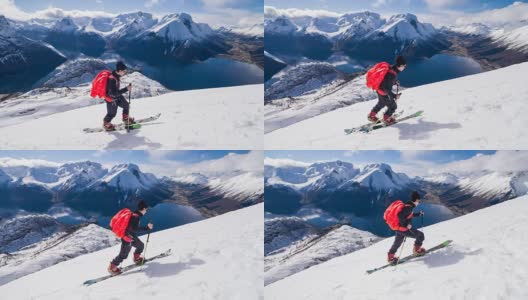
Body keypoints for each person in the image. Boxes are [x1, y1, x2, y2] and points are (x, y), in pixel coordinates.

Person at [108, 200, 153, 275]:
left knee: (140, 246)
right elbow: (134, 229)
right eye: (146, 209)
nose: (146, 211)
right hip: (127, 238)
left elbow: (131, 228)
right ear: (144, 209)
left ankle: (137, 258)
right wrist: (147, 228)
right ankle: (112, 267)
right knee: (123, 255)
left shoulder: (135, 214)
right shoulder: (136, 217)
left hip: (131, 236)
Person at [387, 191, 426, 264]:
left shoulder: (407, 205)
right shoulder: (409, 208)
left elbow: (408, 215)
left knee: (397, 242)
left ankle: (390, 256)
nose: (418, 202)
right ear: (416, 200)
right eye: (418, 201)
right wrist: (406, 226)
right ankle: (417, 251)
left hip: (398, 229)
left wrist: (418, 214)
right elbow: (400, 216)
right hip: (404, 229)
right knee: (420, 235)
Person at [368, 55, 406, 125]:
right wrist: (394, 96)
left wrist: (394, 82)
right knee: (393, 106)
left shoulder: (391, 69)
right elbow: (386, 88)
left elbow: (386, 80)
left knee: (381, 103)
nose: (404, 68)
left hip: (379, 89)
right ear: (400, 66)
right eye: (404, 66)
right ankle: (386, 119)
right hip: (383, 92)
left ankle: (371, 116)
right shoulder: (392, 74)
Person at [103, 61, 134, 131]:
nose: (125, 72)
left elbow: (115, 91)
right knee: (112, 114)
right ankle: (106, 124)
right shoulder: (111, 79)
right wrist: (126, 89)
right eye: (124, 71)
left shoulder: (116, 75)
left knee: (126, 105)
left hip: (117, 96)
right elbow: (112, 94)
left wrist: (126, 88)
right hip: (111, 99)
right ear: (119, 70)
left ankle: (126, 118)